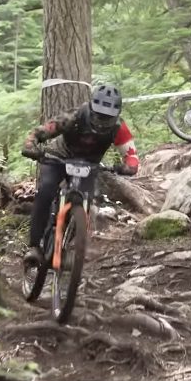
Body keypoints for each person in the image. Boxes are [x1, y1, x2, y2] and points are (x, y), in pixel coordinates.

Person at [21, 83, 139, 264]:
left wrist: (126, 167)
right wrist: (31, 146)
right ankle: (34, 246)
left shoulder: (118, 127)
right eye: (99, 115)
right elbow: (42, 131)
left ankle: (70, 244)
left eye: (107, 117)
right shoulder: (73, 116)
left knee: (86, 202)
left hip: (89, 165)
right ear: (91, 108)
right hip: (59, 158)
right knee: (45, 191)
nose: (102, 121)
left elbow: (131, 156)